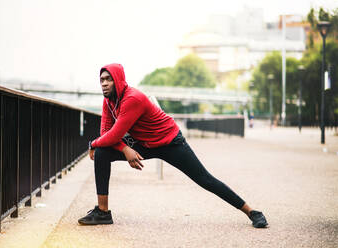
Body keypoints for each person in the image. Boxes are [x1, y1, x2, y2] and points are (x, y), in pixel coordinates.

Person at [78, 63, 268, 228]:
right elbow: (107, 135)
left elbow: (115, 134)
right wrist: (125, 148)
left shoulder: (132, 99)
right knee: (102, 152)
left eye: (108, 79)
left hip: (170, 142)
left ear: (118, 80)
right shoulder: (109, 101)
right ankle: (103, 213)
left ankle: (252, 212)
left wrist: (91, 143)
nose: (103, 83)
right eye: (101, 79)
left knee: (205, 179)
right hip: (145, 143)